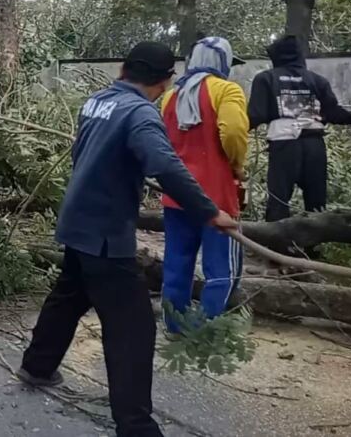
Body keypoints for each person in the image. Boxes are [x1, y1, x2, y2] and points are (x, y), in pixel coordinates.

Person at [17, 42, 238, 437]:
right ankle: (135, 425)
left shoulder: (97, 100)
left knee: (69, 296)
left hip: (78, 218)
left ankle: (37, 366)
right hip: (104, 231)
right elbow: (166, 165)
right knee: (133, 328)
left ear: (123, 69)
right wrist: (209, 211)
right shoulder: (139, 113)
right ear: (165, 80)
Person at [158, 37, 249, 333]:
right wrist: (237, 165)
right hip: (217, 196)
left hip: (177, 195)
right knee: (221, 268)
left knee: (176, 264)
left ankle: (174, 325)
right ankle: (203, 328)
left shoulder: (171, 96)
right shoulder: (227, 90)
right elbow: (234, 132)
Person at [248, 34, 351, 221]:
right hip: (315, 146)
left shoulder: (265, 79)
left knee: (279, 203)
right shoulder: (317, 81)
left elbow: (256, 115)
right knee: (316, 203)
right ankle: (314, 248)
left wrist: (228, 132)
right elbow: (334, 114)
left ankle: (277, 246)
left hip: (284, 147)